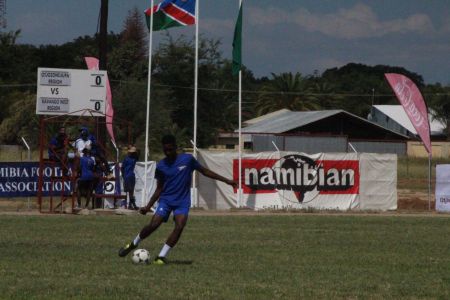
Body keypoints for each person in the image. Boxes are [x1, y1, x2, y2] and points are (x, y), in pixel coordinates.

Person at [118, 134, 237, 264]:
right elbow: (159, 189)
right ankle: (133, 244)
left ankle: (161, 257)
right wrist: (147, 207)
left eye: (170, 149)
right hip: (166, 200)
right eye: (165, 150)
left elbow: (205, 171)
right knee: (153, 225)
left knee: (180, 225)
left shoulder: (188, 160)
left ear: (175, 147)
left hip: (182, 201)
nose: (167, 152)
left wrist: (227, 181)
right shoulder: (161, 166)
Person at [121, 146, 139, 210]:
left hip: (129, 175)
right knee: (130, 191)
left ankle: (131, 205)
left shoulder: (129, 158)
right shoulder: (133, 158)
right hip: (129, 175)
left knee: (130, 191)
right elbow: (122, 168)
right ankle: (131, 205)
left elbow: (122, 168)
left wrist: (123, 175)